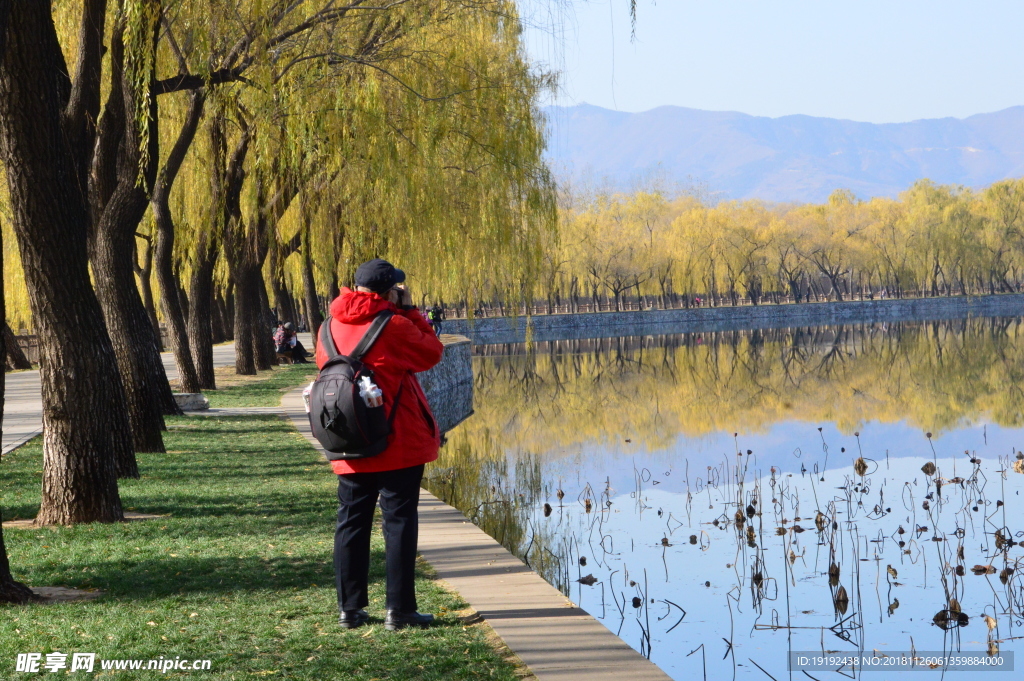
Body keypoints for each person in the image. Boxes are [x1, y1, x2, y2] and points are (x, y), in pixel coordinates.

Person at [315, 258, 444, 631]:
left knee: (351, 523)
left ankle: (350, 610)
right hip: (397, 442)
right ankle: (399, 610)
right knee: (399, 522)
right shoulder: (395, 325)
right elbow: (432, 353)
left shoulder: (328, 327)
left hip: (349, 439)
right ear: (390, 291)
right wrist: (410, 310)